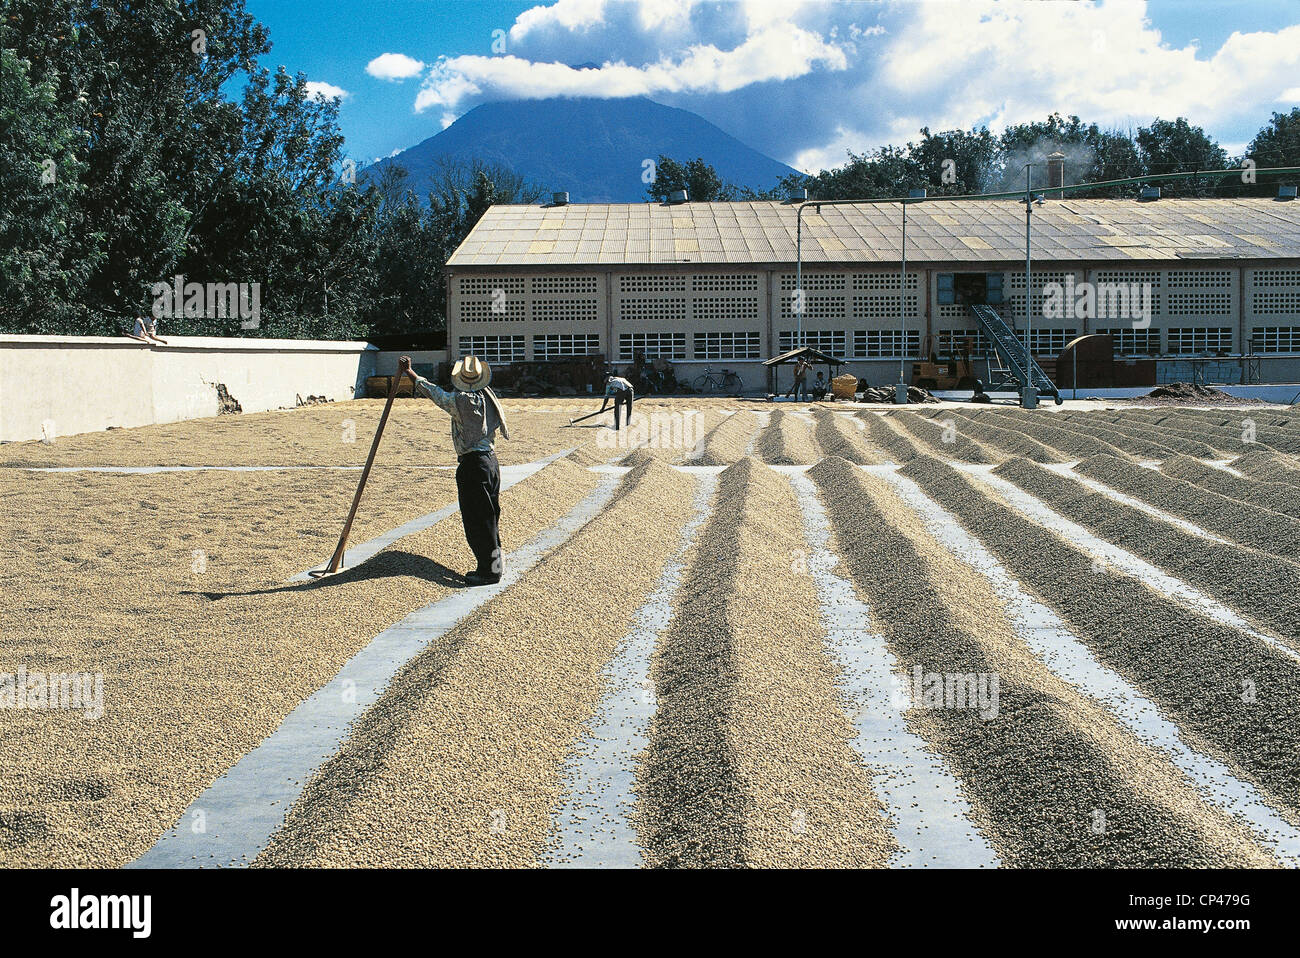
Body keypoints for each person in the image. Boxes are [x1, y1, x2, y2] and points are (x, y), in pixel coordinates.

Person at [400, 354, 510, 586]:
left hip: (474, 466)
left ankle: (489, 573)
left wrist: (411, 373)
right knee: (490, 519)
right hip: (491, 462)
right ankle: (494, 567)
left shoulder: (461, 400)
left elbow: (435, 394)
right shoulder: (487, 396)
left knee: (477, 520)